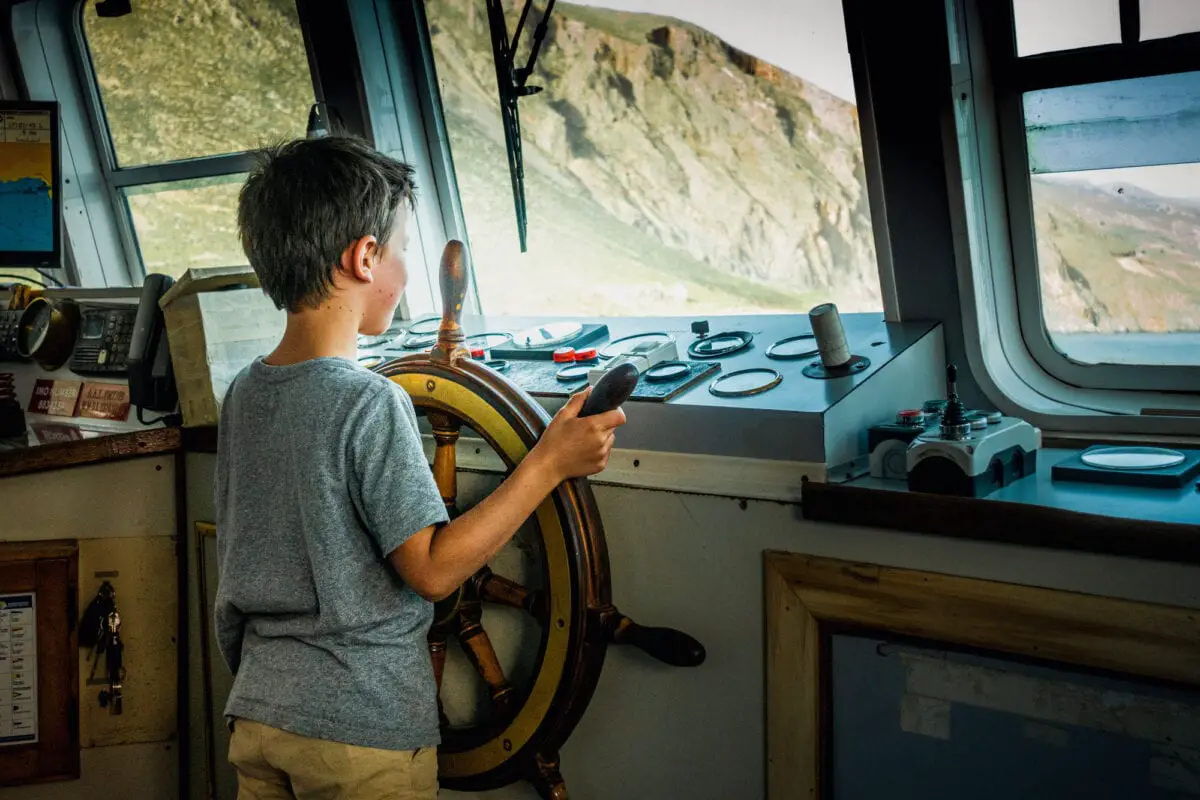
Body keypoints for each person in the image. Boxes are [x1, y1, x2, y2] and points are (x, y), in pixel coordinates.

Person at [213, 135, 626, 799]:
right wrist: (549, 463)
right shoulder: (368, 401)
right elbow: (432, 570)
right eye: (401, 251)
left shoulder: (244, 393)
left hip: (260, 717)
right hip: (359, 733)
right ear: (365, 257)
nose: (404, 272)